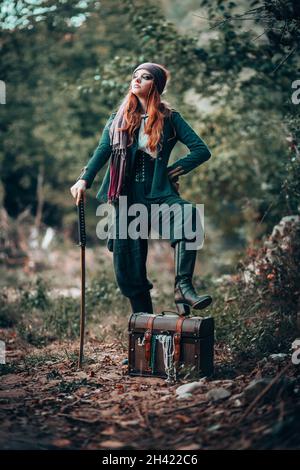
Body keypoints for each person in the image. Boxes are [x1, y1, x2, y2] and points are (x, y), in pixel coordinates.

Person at [70, 62, 213, 316]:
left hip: (159, 195)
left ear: (155, 85)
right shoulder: (118, 119)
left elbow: (201, 151)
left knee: (189, 215)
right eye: (135, 76)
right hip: (126, 198)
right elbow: (102, 151)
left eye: (145, 77)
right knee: (128, 266)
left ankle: (183, 287)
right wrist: (84, 179)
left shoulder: (170, 118)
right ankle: (143, 332)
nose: (137, 80)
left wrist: (173, 170)